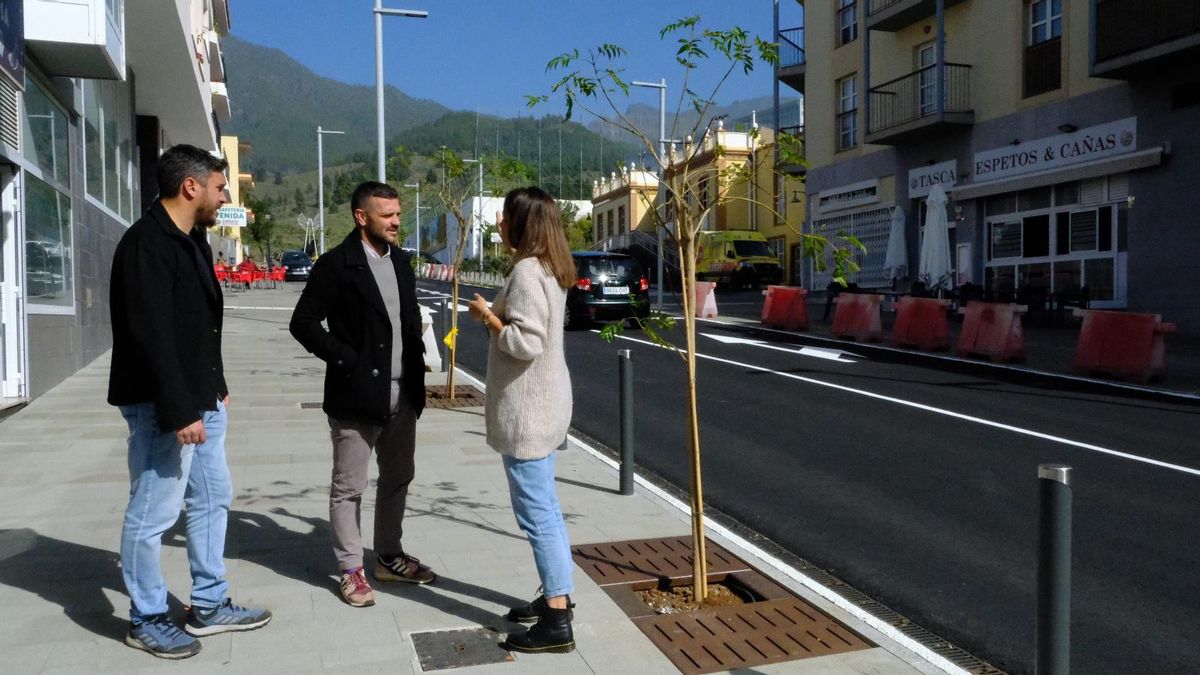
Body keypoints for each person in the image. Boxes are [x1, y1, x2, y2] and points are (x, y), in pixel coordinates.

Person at [108, 144, 271, 659]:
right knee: (153, 511)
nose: (224, 196)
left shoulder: (191, 240)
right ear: (191, 186)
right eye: (221, 188)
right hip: (164, 404)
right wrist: (180, 410)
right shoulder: (146, 246)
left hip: (202, 397)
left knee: (212, 497)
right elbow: (151, 335)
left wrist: (215, 385)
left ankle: (208, 603)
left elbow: (199, 324)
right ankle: (147, 616)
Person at [289, 181, 434, 608]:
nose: (396, 221)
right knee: (348, 487)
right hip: (356, 395)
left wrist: (418, 374)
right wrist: (345, 359)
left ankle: (388, 556)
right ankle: (351, 569)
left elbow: (407, 323)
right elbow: (304, 322)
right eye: (387, 215)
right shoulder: (337, 265)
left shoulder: (403, 263)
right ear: (361, 217)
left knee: (398, 477)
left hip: (403, 394)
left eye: (397, 213)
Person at [467, 187, 578, 654]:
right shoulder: (550, 269)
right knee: (546, 509)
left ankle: (556, 618)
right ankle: (559, 596)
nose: (498, 222)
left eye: (504, 215)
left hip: (530, 413)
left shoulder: (529, 273)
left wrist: (488, 318)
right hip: (547, 405)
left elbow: (526, 343)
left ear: (522, 223)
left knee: (537, 515)